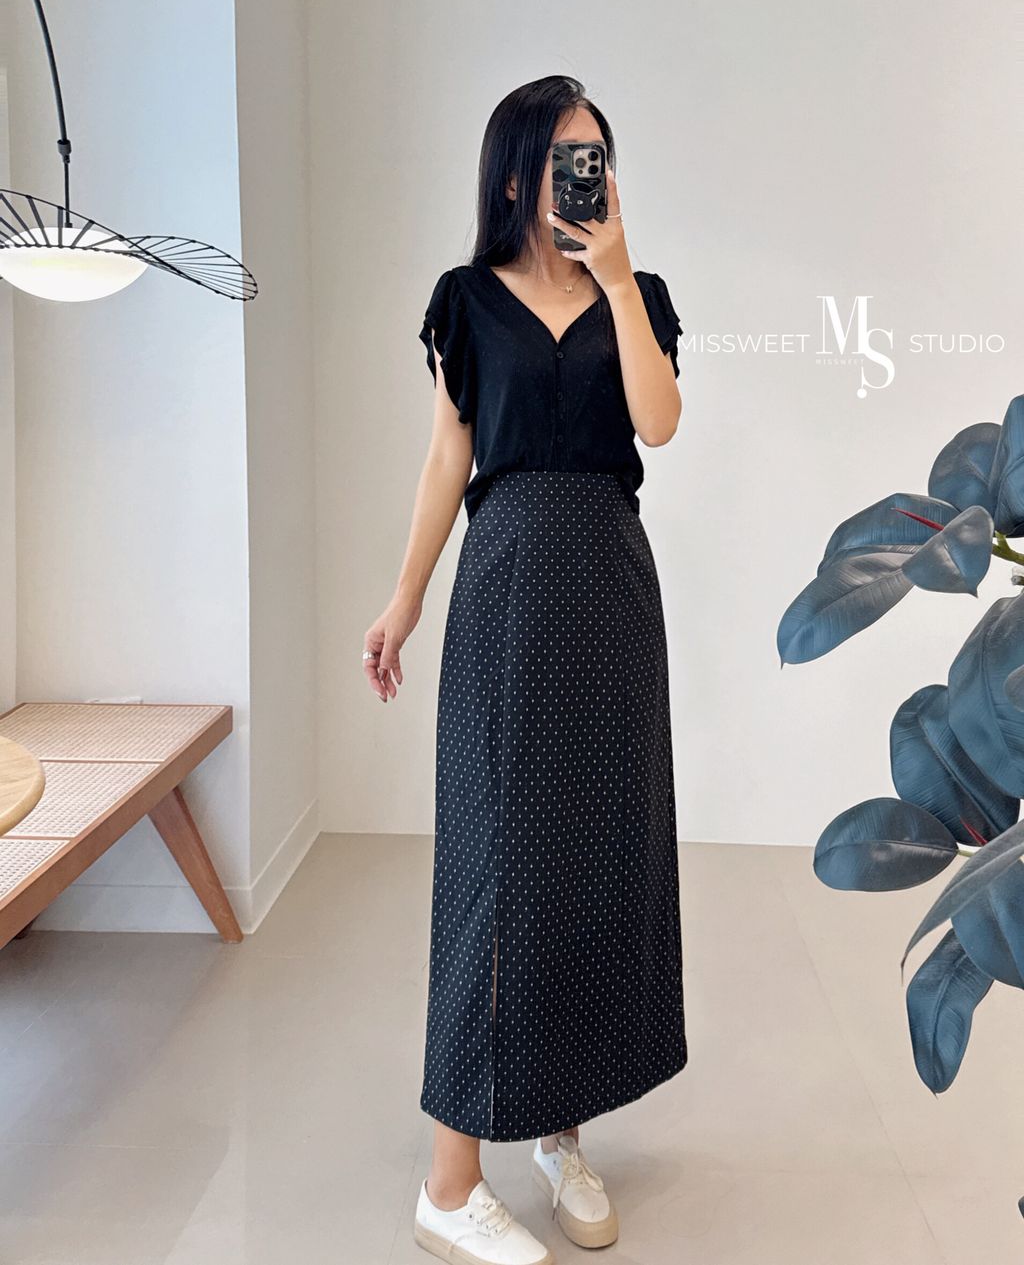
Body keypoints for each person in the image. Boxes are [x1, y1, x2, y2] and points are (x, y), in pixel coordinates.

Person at [362, 75, 688, 1265]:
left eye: (595, 156)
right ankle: (449, 1185)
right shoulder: (464, 302)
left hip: (610, 588)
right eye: (561, 157)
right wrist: (404, 597)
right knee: (497, 871)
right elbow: (446, 457)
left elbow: (658, 422)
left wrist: (617, 279)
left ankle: (561, 1131)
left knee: (595, 861)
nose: (582, 177)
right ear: (513, 175)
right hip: (505, 588)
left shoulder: (638, 295)